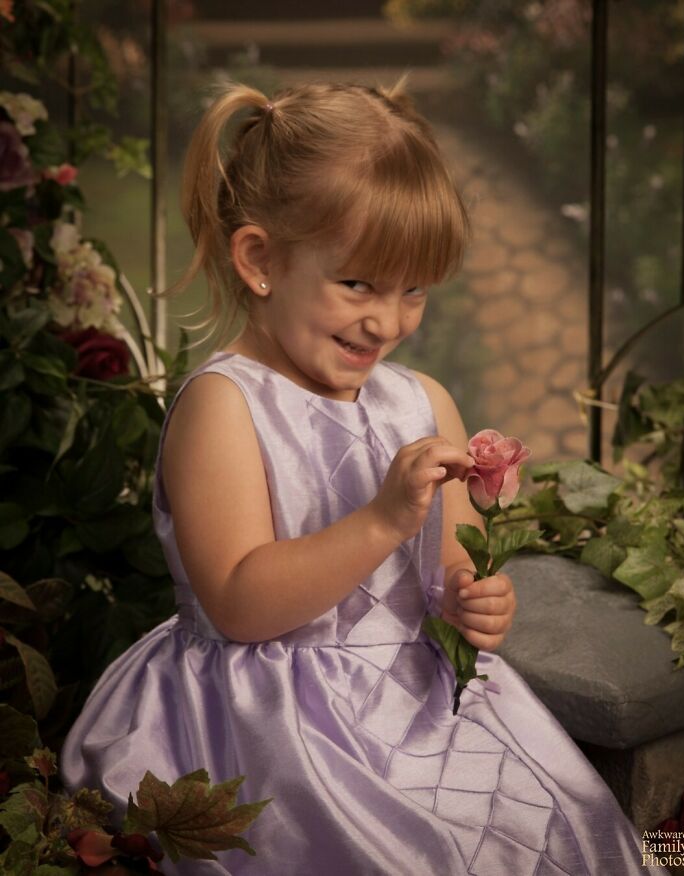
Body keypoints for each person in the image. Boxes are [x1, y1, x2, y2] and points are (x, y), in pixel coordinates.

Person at [61, 80, 650, 875]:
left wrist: (477, 602)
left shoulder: (423, 401)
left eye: (414, 291)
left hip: (419, 697)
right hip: (269, 715)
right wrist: (379, 521)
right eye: (359, 285)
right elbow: (239, 602)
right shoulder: (224, 407)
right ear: (261, 260)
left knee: (556, 824)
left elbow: (450, 572)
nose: (389, 320)